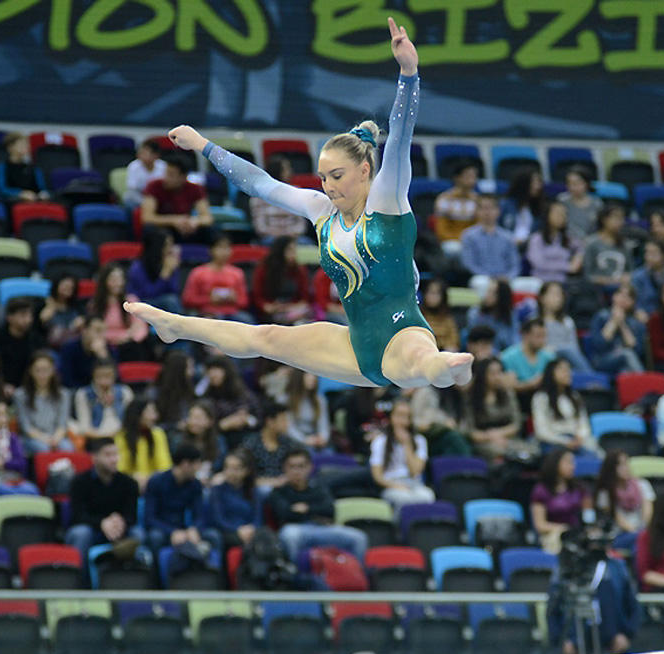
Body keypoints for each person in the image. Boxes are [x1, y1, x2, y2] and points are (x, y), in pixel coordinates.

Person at [128, 22, 473, 391]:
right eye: (323, 177)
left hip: (403, 334)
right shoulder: (321, 211)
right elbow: (261, 184)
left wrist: (408, 74)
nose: (328, 186)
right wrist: (203, 145)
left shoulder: (387, 201)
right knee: (267, 338)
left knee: (423, 362)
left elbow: (401, 136)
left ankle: (450, 367)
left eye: (337, 176)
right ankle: (174, 326)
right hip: (354, 347)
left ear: (364, 170)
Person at [267, 448, 366, 560]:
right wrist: (315, 510)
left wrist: (307, 508)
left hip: (322, 528)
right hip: (297, 529)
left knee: (359, 538)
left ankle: (356, 571)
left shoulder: (318, 487)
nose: (296, 471)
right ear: (284, 468)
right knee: (289, 535)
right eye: (292, 467)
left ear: (310, 467)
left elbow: (330, 510)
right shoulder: (278, 492)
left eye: (301, 466)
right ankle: (292, 570)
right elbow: (285, 513)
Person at [65, 438, 142, 560]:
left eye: (115, 454)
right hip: (92, 529)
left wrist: (120, 521)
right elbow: (78, 516)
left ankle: (137, 571)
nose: (114, 459)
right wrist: (102, 523)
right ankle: (78, 572)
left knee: (138, 533)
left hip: (118, 529)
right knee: (81, 533)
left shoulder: (129, 483)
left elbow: (131, 516)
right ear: (94, 457)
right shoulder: (79, 482)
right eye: (108, 455)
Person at [142, 445, 215, 558]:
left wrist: (195, 529)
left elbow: (199, 515)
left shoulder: (195, 485)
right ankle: (155, 569)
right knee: (155, 537)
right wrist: (172, 532)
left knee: (213, 535)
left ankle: (210, 568)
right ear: (185, 464)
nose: (198, 469)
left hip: (183, 528)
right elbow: (150, 518)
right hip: (162, 528)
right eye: (196, 464)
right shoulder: (156, 482)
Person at [369, 396, 435, 512]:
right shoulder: (380, 441)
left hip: (414, 484)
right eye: (399, 416)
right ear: (391, 417)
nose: (402, 421)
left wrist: (406, 444)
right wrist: (396, 486)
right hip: (391, 484)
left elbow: (415, 472)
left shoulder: (419, 440)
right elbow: (377, 476)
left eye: (406, 417)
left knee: (427, 496)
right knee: (403, 499)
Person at [463, 357, 531, 462]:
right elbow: (469, 430)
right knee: (498, 453)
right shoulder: (470, 398)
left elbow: (516, 423)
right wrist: (489, 437)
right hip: (483, 441)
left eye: (499, 372)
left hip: (507, 437)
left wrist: (500, 434)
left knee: (530, 452)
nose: (497, 377)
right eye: (493, 373)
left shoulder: (508, 394)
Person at [140, 154, 216, 243]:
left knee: (210, 230)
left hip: (185, 228)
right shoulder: (153, 186)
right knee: (150, 229)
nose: (166, 178)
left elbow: (207, 218)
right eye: (166, 173)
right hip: (164, 227)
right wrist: (174, 220)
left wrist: (194, 222)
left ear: (183, 177)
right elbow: (147, 217)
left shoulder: (195, 188)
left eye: (171, 175)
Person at [531, 358, 596, 456]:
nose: (567, 373)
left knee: (593, 456)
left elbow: (584, 423)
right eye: (562, 370)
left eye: (568, 369)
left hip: (576, 440)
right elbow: (541, 431)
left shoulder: (575, 396)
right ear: (551, 373)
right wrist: (565, 441)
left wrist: (581, 436)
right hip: (553, 441)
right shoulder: (541, 397)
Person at [530, 449, 590, 554]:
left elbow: (589, 514)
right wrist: (564, 529)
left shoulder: (579, 488)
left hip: (576, 534)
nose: (572, 467)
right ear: (555, 463)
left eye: (572, 463)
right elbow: (540, 525)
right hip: (552, 534)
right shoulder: (541, 490)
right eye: (568, 462)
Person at [14, 350, 74, 455]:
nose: (42, 375)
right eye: (38, 370)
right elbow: (26, 427)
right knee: (43, 449)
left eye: (46, 370)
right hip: (31, 438)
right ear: (30, 371)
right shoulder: (20, 395)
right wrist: (46, 439)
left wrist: (55, 439)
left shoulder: (63, 394)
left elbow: (62, 424)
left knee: (68, 448)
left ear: (53, 370)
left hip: (56, 437)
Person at [181, 233, 250, 320]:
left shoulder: (237, 273)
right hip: (206, 313)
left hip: (232, 313)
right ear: (211, 250)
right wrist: (209, 299)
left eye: (227, 248)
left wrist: (234, 298)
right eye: (220, 247)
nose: (224, 252)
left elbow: (244, 301)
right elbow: (187, 299)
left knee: (246, 319)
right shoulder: (198, 272)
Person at [205, 448, 262, 550]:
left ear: (246, 470)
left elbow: (258, 518)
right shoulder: (217, 490)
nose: (230, 472)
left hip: (250, 531)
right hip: (227, 531)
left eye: (236, 468)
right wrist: (238, 530)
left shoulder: (252, 490)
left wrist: (251, 529)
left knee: (264, 536)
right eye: (227, 467)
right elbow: (218, 520)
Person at [251, 236, 313, 325]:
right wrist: (269, 307)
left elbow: (304, 298)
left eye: (295, 250)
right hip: (272, 309)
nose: (294, 253)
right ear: (280, 251)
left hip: (293, 308)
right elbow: (258, 297)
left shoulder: (300, 270)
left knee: (307, 315)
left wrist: (291, 307)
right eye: (290, 250)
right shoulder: (263, 269)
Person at [586, 283, 646, 375]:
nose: (623, 299)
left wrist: (622, 324)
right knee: (627, 354)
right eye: (620, 294)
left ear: (632, 302)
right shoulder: (601, 316)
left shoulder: (635, 322)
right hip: (603, 360)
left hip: (625, 361)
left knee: (625, 369)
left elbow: (637, 350)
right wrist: (614, 321)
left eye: (628, 297)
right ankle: (644, 381)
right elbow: (599, 345)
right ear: (614, 296)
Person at [89, 265, 149, 356]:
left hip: (128, 344)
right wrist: (118, 336)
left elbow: (140, 328)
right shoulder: (95, 305)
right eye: (113, 279)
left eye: (120, 279)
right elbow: (94, 331)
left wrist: (127, 336)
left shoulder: (131, 301)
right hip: (105, 345)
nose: (118, 283)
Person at [115, 398, 173, 491]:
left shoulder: (158, 434)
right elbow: (119, 468)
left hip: (154, 486)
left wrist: (150, 479)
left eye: (154, 412)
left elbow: (165, 466)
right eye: (150, 412)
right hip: (128, 486)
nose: (155, 417)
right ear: (137, 414)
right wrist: (134, 478)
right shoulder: (121, 437)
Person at [592, 450, 653, 536]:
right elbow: (618, 519)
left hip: (642, 531)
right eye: (620, 465)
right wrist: (635, 533)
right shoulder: (605, 492)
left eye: (626, 463)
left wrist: (641, 532)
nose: (625, 468)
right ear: (611, 468)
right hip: (618, 534)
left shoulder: (642, 484)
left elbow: (648, 512)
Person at [460, 194, 520, 280]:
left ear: (498, 211)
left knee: (530, 283)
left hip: (505, 278)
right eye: (483, 208)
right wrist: (490, 277)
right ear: (476, 211)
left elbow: (515, 265)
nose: (487, 212)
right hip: (482, 277)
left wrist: (507, 277)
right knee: (480, 282)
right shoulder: (468, 235)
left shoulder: (508, 237)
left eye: (491, 208)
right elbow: (469, 264)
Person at [240, 400, 297, 492]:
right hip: (258, 488)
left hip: (284, 486)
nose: (287, 424)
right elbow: (244, 475)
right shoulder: (251, 443)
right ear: (270, 422)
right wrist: (272, 482)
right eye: (283, 420)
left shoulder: (287, 443)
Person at [250, 155, 308, 242]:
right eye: (287, 169)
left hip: (293, 237)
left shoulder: (297, 192)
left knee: (308, 244)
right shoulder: (259, 195)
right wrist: (278, 236)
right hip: (271, 237)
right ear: (277, 171)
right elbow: (260, 226)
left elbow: (301, 223)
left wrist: (290, 234)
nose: (291, 172)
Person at [0, 297, 46, 390]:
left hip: (31, 389)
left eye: (30, 315)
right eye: (23, 315)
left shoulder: (36, 340)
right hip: (3, 389)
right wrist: (2, 385)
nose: (28, 320)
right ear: (9, 317)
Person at [74, 358, 134, 439]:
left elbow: (131, 422)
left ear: (114, 375)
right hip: (96, 436)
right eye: (99, 377)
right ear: (93, 376)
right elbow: (84, 428)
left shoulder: (125, 391)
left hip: (121, 435)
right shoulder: (83, 394)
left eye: (108, 376)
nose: (103, 381)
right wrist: (106, 437)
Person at [537, 281, 590, 371]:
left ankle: (588, 375)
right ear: (542, 298)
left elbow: (574, 348)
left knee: (569, 351)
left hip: (566, 359)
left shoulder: (567, 321)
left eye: (560, 295)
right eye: (553, 294)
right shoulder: (535, 322)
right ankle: (591, 376)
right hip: (544, 358)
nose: (558, 298)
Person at [168, 401, 225, 483]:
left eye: (198, 418)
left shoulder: (218, 441)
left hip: (210, 479)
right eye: (191, 417)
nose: (193, 422)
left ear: (210, 421)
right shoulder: (178, 440)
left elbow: (220, 464)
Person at [525, 200, 580, 283]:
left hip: (563, 282)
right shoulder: (536, 238)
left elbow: (581, 248)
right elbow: (539, 263)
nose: (562, 217)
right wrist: (568, 266)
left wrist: (578, 257)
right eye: (558, 213)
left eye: (564, 214)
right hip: (541, 282)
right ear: (547, 215)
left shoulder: (568, 238)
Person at [128, 227, 181, 311]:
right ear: (158, 246)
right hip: (142, 303)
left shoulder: (168, 263)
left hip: (164, 303)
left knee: (172, 299)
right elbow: (148, 294)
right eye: (167, 245)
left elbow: (174, 291)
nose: (170, 249)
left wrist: (172, 271)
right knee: (170, 301)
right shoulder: (138, 267)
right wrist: (165, 274)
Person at [500, 317, 555, 398]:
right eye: (538, 336)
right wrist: (531, 384)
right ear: (525, 335)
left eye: (544, 336)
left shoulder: (549, 357)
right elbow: (508, 387)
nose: (542, 340)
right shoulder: (507, 357)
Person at [630, 238, 664, 318]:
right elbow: (634, 301)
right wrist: (638, 311)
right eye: (647, 252)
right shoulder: (637, 276)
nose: (648, 256)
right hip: (644, 316)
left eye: (653, 253)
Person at [581, 204, 631, 287]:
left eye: (622, 218)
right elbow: (587, 275)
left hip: (621, 288)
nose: (620, 222)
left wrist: (627, 277)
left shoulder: (625, 244)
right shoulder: (591, 243)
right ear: (604, 219)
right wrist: (606, 281)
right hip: (597, 289)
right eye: (616, 217)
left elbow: (631, 271)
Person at [0, 132, 49, 202]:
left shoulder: (34, 168)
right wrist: (20, 193)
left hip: (34, 201)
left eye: (26, 144)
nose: (26, 147)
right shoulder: (3, 167)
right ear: (10, 147)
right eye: (21, 144)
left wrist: (43, 194)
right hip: (12, 201)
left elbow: (42, 188)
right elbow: (1, 189)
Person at [433, 161, 479, 245]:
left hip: (472, 241)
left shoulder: (478, 200)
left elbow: (479, 225)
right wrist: (458, 239)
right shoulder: (444, 199)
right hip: (450, 240)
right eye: (468, 176)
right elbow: (441, 229)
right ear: (457, 178)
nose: (472, 180)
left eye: (474, 176)